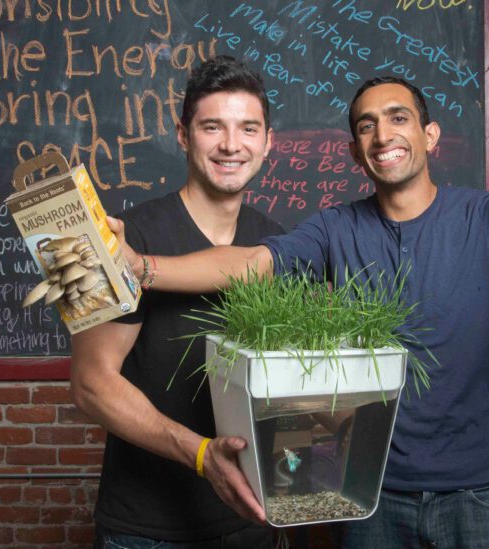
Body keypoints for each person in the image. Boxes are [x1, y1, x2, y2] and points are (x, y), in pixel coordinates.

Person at [109, 76, 489, 548]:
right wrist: (142, 268)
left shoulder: (487, 212)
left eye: (397, 118)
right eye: (366, 125)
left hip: (484, 492)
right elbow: (254, 263)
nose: (382, 134)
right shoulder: (334, 228)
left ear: (429, 136)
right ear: (355, 149)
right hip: (369, 493)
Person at [70, 56, 284, 549]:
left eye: (248, 128)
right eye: (213, 127)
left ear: (268, 142)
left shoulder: (274, 243)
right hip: (146, 531)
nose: (232, 145)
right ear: (184, 135)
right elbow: (89, 384)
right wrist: (201, 454)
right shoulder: (120, 237)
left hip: (252, 522)